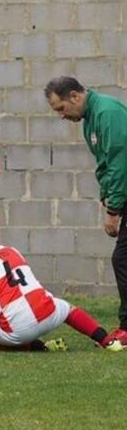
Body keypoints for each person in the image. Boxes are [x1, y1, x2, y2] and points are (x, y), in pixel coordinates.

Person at [45, 76, 127, 344]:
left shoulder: (108, 113)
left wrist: (113, 210)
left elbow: (119, 164)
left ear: (75, 96)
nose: (61, 115)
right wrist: (106, 195)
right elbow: (104, 164)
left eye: (61, 108)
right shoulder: (90, 120)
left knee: (122, 259)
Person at [0, 225, 123, 353]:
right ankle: (107, 341)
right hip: (47, 312)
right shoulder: (12, 250)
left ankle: (33, 347)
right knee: (69, 309)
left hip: (17, 328)